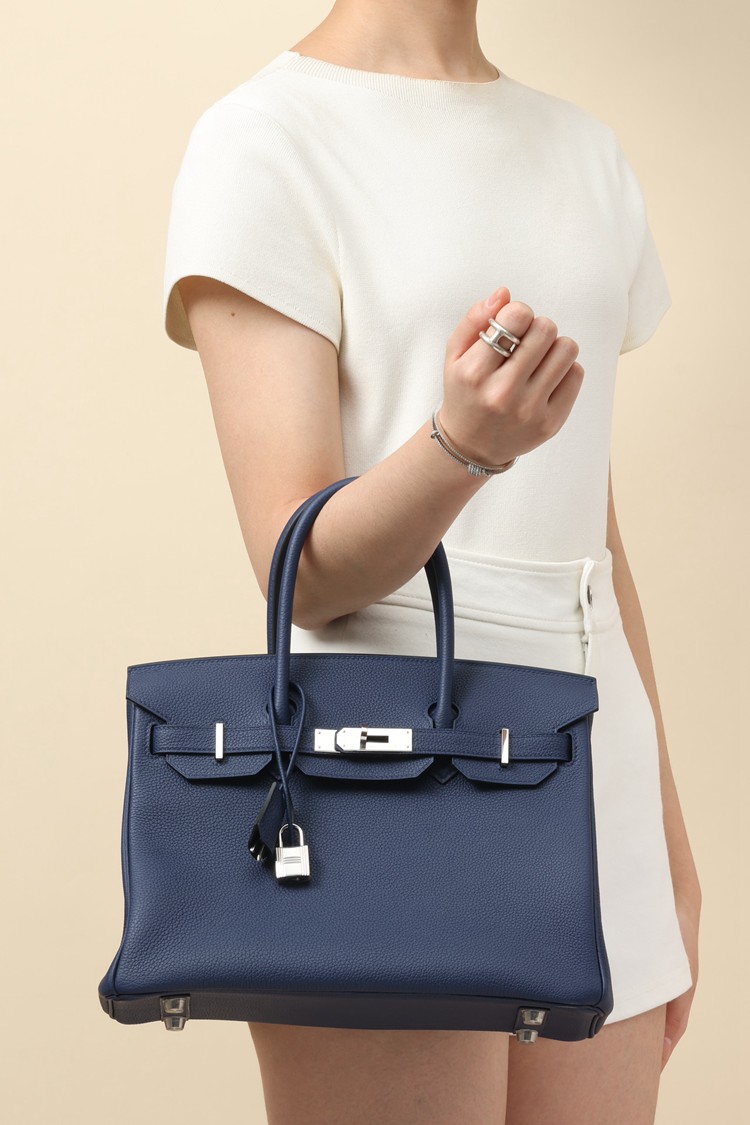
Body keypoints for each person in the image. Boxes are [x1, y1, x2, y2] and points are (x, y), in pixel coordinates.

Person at [162, 2, 702, 1121]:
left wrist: (669, 845)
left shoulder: (583, 148)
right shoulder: (265, 138)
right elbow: (301, 568)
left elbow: (591, 536)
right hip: (380, 779)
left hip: (593, 767)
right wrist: (463, 447)